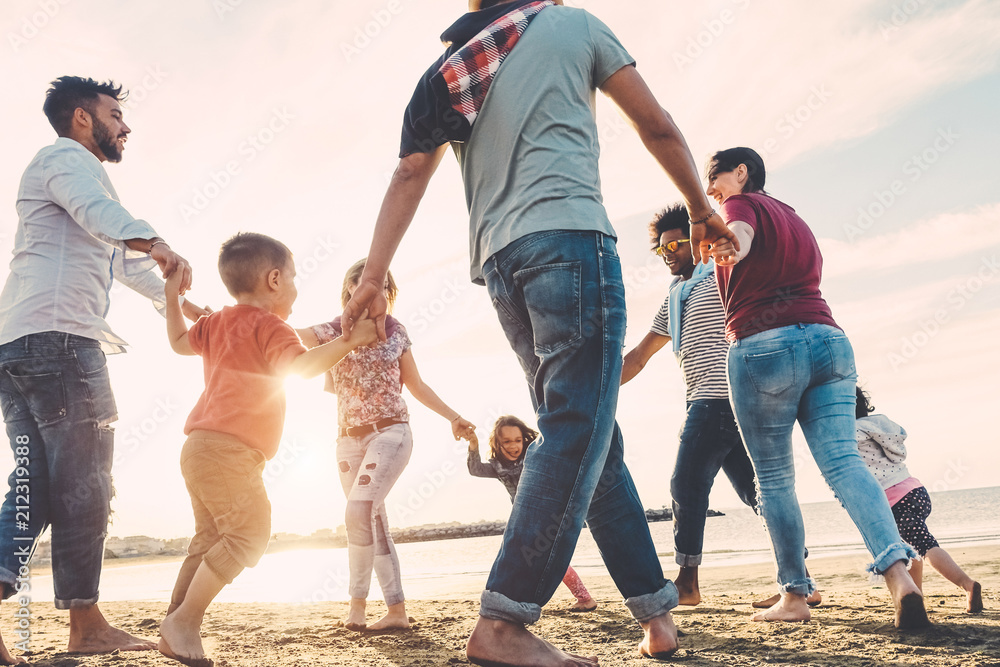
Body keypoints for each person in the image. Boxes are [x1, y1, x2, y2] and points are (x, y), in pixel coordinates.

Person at [340, 1, 737, 663]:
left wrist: (374, 273)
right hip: (571, 243)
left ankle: (656, 612)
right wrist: (699, 206)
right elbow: (657, 125)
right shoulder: (574, 25)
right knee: (577, 427)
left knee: (591, 435)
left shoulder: (450, 66)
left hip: (502, 264)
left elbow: (410, 170)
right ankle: (504, 619)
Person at [0, 76, 206, 664]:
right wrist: (154, 238)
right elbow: (105, 217)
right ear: (82, 119)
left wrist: (179, 300)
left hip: (18, 348)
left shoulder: (73, 180)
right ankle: (86, 624)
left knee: (34, 487)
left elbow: (113, 251)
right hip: (60, 345)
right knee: (86, 486)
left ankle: (75, 619)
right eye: (115, 114)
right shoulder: (64, 158)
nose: (126, 125)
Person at [705, 146, 928, 629]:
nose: (710, 190)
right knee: (846, 465)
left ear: (740, 172)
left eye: (714, 177)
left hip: (765, 344)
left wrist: (731, 244)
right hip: (829, 340)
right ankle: (900, 577)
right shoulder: (795, 217)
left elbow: (739, 235)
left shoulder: (739, 206)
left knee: (774, 478)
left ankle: (795, 595)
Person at [157, 233, 377, 666]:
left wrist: (170, 298)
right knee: (249, 534)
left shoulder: (217, 321)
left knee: (209, 541)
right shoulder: (269, 325)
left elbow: (179, 343)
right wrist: (350, 341)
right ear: (274, 279)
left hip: (199, 447)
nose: (296, 287)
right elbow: (299, 368)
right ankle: (182, 623)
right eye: (293, 277)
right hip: (228, 450)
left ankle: (178, 625)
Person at [622, 204, 822, 610]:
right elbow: (640, 356)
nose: (670, 252)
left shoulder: (719, 275)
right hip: (717, 401)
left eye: (677, 242)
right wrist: (597, 386)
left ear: (696, 240)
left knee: (685, 483)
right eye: (663, 249)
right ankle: (800, 581)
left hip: (722, 395)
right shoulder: (674, 300)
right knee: (760, 493)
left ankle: (687, 582)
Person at [297, 259, 475, 632]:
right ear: (348, 289)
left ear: (387, 291)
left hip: (391, 433)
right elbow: (285, 334)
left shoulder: (396, 332)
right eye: (358, 281)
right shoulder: (330, 331)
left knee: (359, 511)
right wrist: (236, 317)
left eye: (376, 283)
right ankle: (393, 611)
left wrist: (453, 416)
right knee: (371, 520)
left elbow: (417, 385)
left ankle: (360, 607)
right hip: (347, 441)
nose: (366, 288)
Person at [855, 387, 983, 614]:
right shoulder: (878, 426)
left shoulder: (852, 433)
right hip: (915, 490)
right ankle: (917, 595)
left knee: (925, 546)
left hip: (896, 499)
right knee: (912, 548)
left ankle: (968, 585)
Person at [468, 416, 597, 612]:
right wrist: (473, 444)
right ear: (497, 443)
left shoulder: (533, 456)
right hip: (520, 520)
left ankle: (583, 598)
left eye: (518, 440)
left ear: (524, 440)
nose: (513, 446)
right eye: (507, 442)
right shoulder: (497, 466)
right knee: (529, 558)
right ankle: (523, 599)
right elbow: (475, 469)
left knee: (546, 558)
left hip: (546, 514)